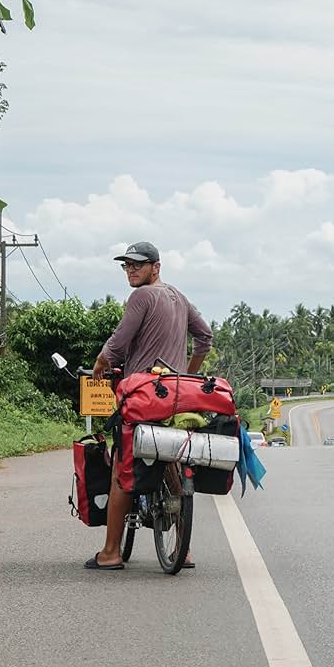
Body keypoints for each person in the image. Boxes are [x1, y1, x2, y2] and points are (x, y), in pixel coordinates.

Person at [88, 241, 212, 570]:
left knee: (122, 470)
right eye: (126, 265)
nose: (131, 270)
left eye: (137, 265)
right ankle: (182, 551)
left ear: (155, 267)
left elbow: (119, 341)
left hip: (143, 393)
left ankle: (111, 552)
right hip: (176, 394)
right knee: (171, 460)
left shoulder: (142, 296)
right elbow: (205, 337)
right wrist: (187, 375)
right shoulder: (178, 297)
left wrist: (101, 363)